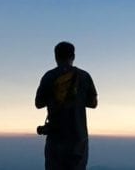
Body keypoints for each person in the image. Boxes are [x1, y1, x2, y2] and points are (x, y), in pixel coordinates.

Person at [35, 41, 98, 170]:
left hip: (56, 137)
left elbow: (38, 103)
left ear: (56, 57)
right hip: (78, 138)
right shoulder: (84, 76)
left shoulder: (49, 76)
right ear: (73, 56)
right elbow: (93, 103)